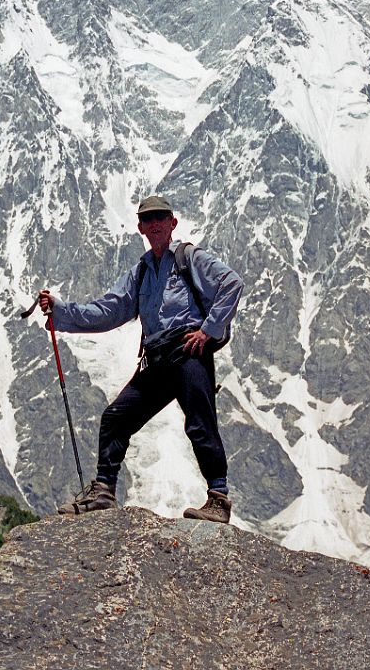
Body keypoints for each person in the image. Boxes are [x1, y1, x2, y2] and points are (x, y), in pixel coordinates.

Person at [38, 195, 244, 523]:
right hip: (158, 359)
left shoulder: (189, 257)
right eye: (148, 220)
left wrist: (208, 330)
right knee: (116, 417)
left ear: (173, 223)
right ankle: (104, 492)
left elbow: (231, 284)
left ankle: (219, 500)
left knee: (200, 423)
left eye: (160, 218)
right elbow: (110, 309)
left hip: (188, 351)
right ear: (141, 228)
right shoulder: (142, 271)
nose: (155, 224)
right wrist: (61, 311)